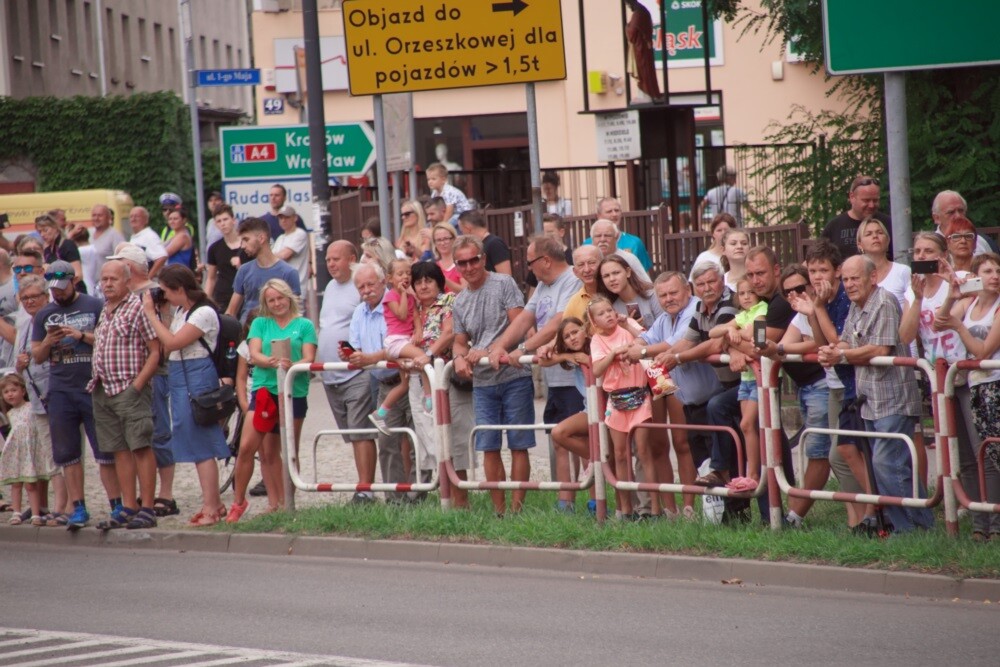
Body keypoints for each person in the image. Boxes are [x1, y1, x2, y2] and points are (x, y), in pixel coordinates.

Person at [817, 255, 934, 533]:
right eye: (846, 279)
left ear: (872, 277)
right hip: (869, 399)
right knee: (889, 465)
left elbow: (881, 349)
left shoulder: (883, 301)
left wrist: (840, 355)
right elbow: (846, 340)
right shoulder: (857, 305)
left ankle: (910, 529)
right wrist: (832, 350)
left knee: (887, 463)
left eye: (855, 278)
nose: (849, 284)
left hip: (893, 398)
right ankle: (918, 526)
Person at [487, 236, 583, 510]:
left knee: (580, 440)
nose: (527, 268)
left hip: (574, 376)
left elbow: (557, 323)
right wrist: (500, 346)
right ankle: (566, 502)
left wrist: (523, 348)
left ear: (545, 261)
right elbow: (524, 319)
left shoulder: (572, 280)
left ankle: (593, 501)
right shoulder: (542, 285)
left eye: (529, 262)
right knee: (559, 441)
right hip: (555, 377)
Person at [32, 259, 119, 530]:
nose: (57, 292)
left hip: (92, 386)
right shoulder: (44, 314)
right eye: (53, 289)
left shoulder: (94, 305)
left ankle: (117, 504)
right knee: (67, 453)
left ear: (74, 281)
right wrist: (49, 341)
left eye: (62, 287)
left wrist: (80, 335)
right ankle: (78, 507)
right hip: (60, 389)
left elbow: (108, 339)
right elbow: (37, 356)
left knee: (105, 451)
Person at [141, 265, 230, 527]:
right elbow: (168, 345)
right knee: (193, 442)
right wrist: (162, 314)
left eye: (166, 291)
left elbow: (172, 343)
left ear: (179, 288)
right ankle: (213, 504)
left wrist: (151, 314)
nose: (164, 295)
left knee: (202, 445)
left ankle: (211, 507)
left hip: (196, 377)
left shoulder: (203, 312)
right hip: (181, 376)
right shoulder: (182, 311)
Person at [452, 235, 534, 515]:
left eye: (473, 260)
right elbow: (459, 341)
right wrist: (459, 358)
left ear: (484, 259)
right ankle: (499, 513)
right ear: (456, 266)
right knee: (488, 446)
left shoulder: (504, 283)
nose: (469, 267)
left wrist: (486, 350)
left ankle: (517, 512)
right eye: (462, 263)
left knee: (519, 443)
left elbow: (519, 325)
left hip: (514, 375)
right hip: (483, 381)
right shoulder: (460, 301)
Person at [226, 279, 317, 521]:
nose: (277, 303)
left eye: (280, 298)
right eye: (271, 300)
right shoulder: (260, 323)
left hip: (293, 391)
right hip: (265, 390)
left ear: (289, 297)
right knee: (249, 447)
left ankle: (285, 504)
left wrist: (290, 366)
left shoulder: (304, 324)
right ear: (266, 303)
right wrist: (272, 362)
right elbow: (254, 353)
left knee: (288, 450)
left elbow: (309, 357)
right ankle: (239, 502)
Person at [108, 243, 180, 519]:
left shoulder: (156, 292)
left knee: (159, 431)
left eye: (119, 262)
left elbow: (165, 331)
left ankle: (166, 493)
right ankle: (142, 494)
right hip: (127, 374)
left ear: (131, 266)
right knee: (135, 437)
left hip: (155, 371)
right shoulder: (118, 297)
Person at [932, 252, 1000, 542]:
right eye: (988, 271)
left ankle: (995, 524)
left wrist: (959, 327)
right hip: (973, 385)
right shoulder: (969, 302)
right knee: (972, 457)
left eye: (998, 271)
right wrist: (951, 294)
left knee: (990, 454)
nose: (995, 276)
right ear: (975, 277)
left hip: (994, 387)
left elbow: (983, 350)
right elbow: (938, 322)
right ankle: (978, 522)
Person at [88, 260, 160, 530]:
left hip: (129, 389)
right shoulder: (105, 309)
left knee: (140, 446)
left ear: (127, 282)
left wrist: (137, 386)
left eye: (113, 279)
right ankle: (129, 506)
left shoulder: (137, 308)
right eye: (104, 279)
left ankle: (148, 508)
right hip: (102, 388)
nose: (107, 284)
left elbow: (156, 351)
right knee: (119, 449)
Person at [341, 264, 414, 503]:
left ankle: (419, 496)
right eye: (361, 287)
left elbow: (399, 343)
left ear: (383, 282)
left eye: (370, 284)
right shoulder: (359, 312)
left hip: (409, 379)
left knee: (416, 441)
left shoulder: (394, 302)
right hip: (382, 384)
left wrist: (369, 358)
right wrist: (350, 355)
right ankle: (395, 500)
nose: (366, 290)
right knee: (387, 442)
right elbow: (357, 348)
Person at [589, 295, 667, 518]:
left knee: (643, 451)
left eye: (609, 310)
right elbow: (597, 370)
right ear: (594, 322)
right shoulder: (597, 340)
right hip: (616, 400)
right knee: (620, 454)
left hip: (640, 396)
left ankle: (655, 509)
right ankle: (625, 508)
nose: (608, 315)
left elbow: (646, 342)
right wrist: (613, 354)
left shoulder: (627, 327)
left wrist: (628, 324)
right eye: (601, 314)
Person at [405, 261, 475, 505]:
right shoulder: (412, 309)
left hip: (448, 378)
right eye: (418, 282)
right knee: (433, 440)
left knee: (454, 439)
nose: (423, 286)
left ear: (439, 283)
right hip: (420, 380)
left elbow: (450, 332)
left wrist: (428, 354)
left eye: (429, 280)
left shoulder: (448, 301)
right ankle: (446, 499)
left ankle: (460, 503)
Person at [316, 241, 379, 505]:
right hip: (331, 375)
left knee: (361, 431)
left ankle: (366, 491)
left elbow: (371, 319)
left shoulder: (359, 283)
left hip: (357, 372)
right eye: (328, 259)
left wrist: (361, 354)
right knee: (352, 434)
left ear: (352, 259)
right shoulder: (330, 287)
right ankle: (364, 486)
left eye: (336, 259)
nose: (330, 264)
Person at [13, 274, 67, 526]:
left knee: (65, 453)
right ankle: (50, 506)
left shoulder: (55, 320)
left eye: (35, 296)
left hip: (59, 394)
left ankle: (65, 506)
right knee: (48, 454)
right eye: (25, 298)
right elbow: (19, 366)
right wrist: (21, 364)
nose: (30, 301)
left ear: (46, 296)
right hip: (37, 399)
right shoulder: (25, 326)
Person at [710, 274, 766, 485]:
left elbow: (756, 337)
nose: (746, 297)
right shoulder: (743, 315)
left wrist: (733, 336)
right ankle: (750, 472)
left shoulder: (761, 310)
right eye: (742, 293)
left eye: (751, 292)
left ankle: (754, 474)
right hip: (746, 378)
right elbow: (713, 332)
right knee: (747, 427)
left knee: (748, 423)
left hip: (762, 377)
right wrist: (729, 329)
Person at [368, 258, 433, 434]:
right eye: (400, 274)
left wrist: (418, 331)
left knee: (404, 385)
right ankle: (429, 399)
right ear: (390, 278)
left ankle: (380, 413)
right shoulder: (390, 297)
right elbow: (403, 314)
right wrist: (404, 293)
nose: (405, 277)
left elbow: (415, 316)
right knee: (422, 357)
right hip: (396, 341)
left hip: (406, 340)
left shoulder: (411, 298)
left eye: (408, 273)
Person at [541, 317, 594, 513]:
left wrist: (587, 360)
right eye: (566, 336)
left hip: (608, 408)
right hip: (589, 409)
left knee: (619, 455)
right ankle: (596, 460)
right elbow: (543, 361)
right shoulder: (573, 355)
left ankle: (601, 503)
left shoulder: (595, 345)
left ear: (585, 330)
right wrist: (564, 356)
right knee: (559, 433)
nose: (572, 338)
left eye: (575, 332)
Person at [0, 373, 56, 526]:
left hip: (30, 452)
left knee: (31, 484)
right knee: (16, 484)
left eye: (14, 390)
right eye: (6, 392)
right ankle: (16, 512)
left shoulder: (31, 408)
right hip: (17, 453)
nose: (10, 394)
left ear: (23, 391)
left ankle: (36, 512)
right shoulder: (9, 414)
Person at [226, 217, 301, 323]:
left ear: (261, 238)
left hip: (276, 330)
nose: (242, 246)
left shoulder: (289, 272)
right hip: (247, 330)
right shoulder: (243, 270)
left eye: (246, 240)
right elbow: (231, 312)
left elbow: (295, 314)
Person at [820, 175, 892, 261]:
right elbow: (819, 258)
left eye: (875, 200)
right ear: (852, 197)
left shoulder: (888, 224)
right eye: (866, 200)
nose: (871, 205)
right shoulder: (834, 226)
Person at [856, 217, 910, 309]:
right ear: (860, 245)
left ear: (888, 241)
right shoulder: (855, 277)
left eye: (880, 233)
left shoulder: (903, 271)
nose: (875, 236)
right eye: (868, 234)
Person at [596, 254, 662, 329]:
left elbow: (665, 329)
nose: (612, 279)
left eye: (616, 273)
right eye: (606, 276)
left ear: (628, 272)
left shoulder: (652, 296)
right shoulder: (612, 309)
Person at [587, 198, 653, 272]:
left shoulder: (635, 242)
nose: (614, 214)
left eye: (617, 210)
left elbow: (644, 274)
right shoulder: (587, 244)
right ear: (599, 215)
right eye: (609, 211)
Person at [204, 204, 248, 310]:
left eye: (225, 219)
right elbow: (211, 278)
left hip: (246, 296)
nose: (223, 224)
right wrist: (205, 301)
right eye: (219, 221)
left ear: (233, 220)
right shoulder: (214, 248)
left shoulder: (247, 244)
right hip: (223, 298)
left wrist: (240, 266)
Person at [931, 190, 995, 256]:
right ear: (936, 218)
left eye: (961, 210)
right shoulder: (929, 246)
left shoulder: (982, 242)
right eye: (951, 212)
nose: (958, 216)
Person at [587, 219, 650, 283]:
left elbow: (646, 285)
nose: (602, 239)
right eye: (598, 236)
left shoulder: (629, 259)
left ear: (616, 237)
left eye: (607, 235)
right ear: (592, 239)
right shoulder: (586, 261)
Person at [35, 214, 85, 293]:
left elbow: (77, 275)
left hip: (75, 292)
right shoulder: (48, 250)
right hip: (57, 293)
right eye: (39, 232)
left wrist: (53, 273)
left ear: (55, 228)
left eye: (45, 230)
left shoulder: (67, 245)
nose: (42, 235)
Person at [457, 210, 512, 275]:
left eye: (462, 231)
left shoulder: (495, 244)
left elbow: (506, 276)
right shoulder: (480, 245)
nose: (463, 235)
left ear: (468, 229)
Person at [624, 0, 660, 99]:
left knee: (644, 72)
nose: (628, 7)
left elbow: (632, 32)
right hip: (642, 48)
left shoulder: (638, 13)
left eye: (628, 5)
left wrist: (627, 27)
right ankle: (648, 93)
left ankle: (647, 93)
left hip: (640, 49)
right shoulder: (643, 12)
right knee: (645, 71)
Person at [563, 245, 602, 325]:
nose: (587, 270)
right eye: (581, 265)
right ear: (575, 272)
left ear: (603, 264)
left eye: (591, 263)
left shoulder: (615, 291)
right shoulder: (574, 303)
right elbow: (566, 330)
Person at [273, 204, 311, 286]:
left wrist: (270, 256)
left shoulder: (300, 234)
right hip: (282, 285)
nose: (283, 220)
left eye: (287, 217)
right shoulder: (280, 238)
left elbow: (284, 256)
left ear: (295, 218)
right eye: (281, 218)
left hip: (297, 285)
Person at [426, 162, 471, 229]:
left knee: (452, 220)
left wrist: (443, 225)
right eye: (428, 179)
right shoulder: (434, 193)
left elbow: (449, 210)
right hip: (453, 214)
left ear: (443, 180)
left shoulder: (448, 191)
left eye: (433, 179)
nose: (430, 182)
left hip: (463, 214)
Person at [127, 206, 168, 279]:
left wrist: (148, 279)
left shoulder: (149, 236)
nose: (133, 219)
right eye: (131, 216)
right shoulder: (136, 237)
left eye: (137, 216)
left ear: (146, 220)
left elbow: (162, 257)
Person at [691, 213, 735, 280]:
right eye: (719, 230)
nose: (723, 233)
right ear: (713, 234)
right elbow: (693, 281)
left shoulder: (739, 254)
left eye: (726, 230)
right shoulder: (704, 257)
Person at [86, 204, 125, 279]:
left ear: (108, 217)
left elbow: (122, 261)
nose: (96, 218)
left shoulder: (115, 235)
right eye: (94, 215)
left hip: (106, 282)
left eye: (100, 215)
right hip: (87, 282)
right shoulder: (87, 233)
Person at [430, 222, 466, 293]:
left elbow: (466, 291)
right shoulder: (433, 266)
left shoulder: (462, 263)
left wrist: (444, 279)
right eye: (439, 240)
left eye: (446, 239)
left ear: (454, 239)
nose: (442, 243)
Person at [720, 227, 750, 291]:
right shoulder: (721, 282)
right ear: (723, 250)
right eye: (733, 244)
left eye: (744, 243)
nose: (739, 246)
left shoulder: (755, 277)